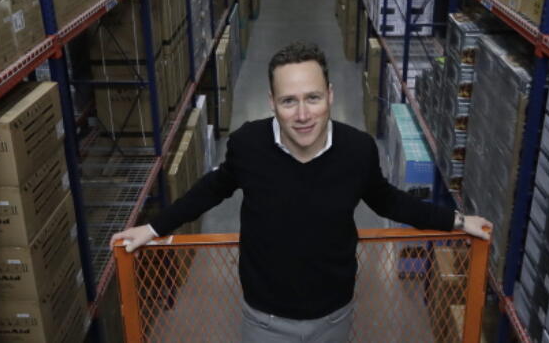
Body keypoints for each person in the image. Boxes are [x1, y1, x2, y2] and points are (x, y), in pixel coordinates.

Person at [112, 41, 492, 342]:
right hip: (265, 320)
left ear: (330, 95)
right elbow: (212, 189)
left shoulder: (357, 150)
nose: (303, 114)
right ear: (272, 103)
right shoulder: (249, 145)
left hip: (334, 315)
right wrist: (154, 228)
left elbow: (389, 199)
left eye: (312, 98)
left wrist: (456, 220)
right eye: (288, 101)